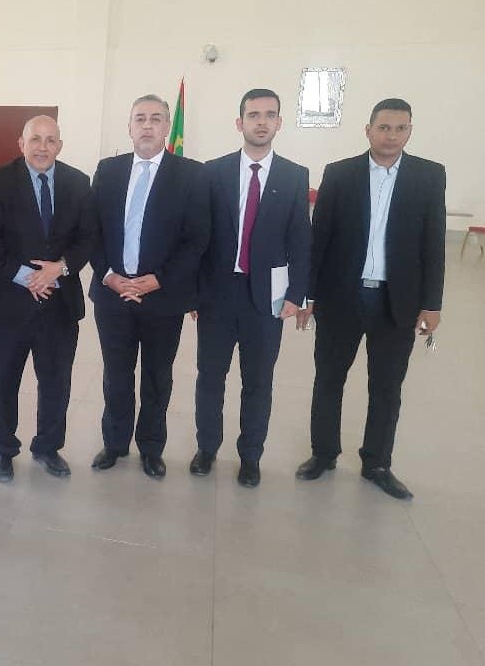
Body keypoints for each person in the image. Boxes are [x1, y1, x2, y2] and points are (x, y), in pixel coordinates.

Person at [295, 98, 445, 500]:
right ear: (368, 130)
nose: (391, 135)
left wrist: (432, 303)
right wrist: (308, 294)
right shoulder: (340, 174)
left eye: (400, 128)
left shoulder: (429, 176)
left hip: (397, 302)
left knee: (387, 387)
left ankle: (377, 463)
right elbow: (319, 239)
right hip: (341, 297)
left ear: (410, 131)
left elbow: (433, 244)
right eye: (383, 127)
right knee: (329, 378)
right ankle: (323, 454)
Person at [192, 89, 311, 487]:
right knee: (210, 377)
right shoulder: (213, 172)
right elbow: (200, 237)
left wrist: (297, 294)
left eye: (269, 115)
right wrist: (194, 291)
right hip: (216, 294)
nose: (262, 121)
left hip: (267, 298)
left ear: (279, 123)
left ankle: (250, 456)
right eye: (254, 114)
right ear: (239, 122)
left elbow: (300, 239)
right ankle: (207, 448)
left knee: (258, 382)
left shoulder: (295, 176)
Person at [87, 94, 209, 479]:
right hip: (113, 293)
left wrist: (159, 279)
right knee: (116, 374)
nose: (147, 125)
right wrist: (108, 274)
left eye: (156, 119)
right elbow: (91, 231)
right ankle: (114, 443)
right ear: (129, 126)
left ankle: (152, 447)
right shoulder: (108, 170)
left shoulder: (190, 174)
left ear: (167, 127)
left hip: (163, 297)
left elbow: (196, 240)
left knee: (157, 376)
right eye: (140, 118)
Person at [0, 115, 94, 482]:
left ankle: (47, 447)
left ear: (59, 145)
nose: (42, 147)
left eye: (50, 140)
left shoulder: (78, 182)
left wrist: (60, 268)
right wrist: (29, 277)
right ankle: (3, 449)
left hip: (59, 305)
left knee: (56, 382)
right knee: (0, 381)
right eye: (35, 140)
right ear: (21, 143)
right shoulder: (0, 179)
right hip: (7, 304)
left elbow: (88, 237)